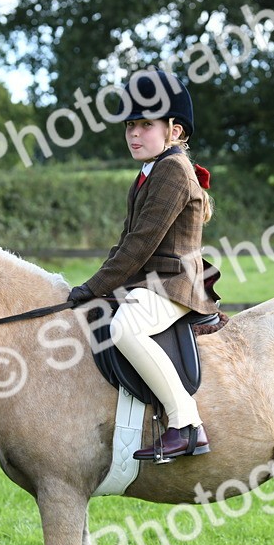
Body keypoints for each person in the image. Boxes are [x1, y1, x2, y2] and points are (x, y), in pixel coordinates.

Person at [67, 70, 219, 461]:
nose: (134, 134)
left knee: (125, 327)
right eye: (130, 125)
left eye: (146, 125)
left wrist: (95, 287)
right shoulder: (148, 173)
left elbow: (140, 245)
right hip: (150, 283)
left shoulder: (172, 170)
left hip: (173, 284)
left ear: (175, 130)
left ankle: (186, 424)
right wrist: (94, 283)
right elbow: (124, 242)